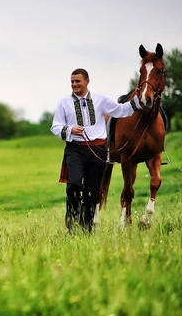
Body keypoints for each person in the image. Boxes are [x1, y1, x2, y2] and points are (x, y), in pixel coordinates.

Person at [51, 68, 141, 232]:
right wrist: (70, 130)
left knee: (92, 191)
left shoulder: (101, 100)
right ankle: (72, 221)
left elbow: (122, 110)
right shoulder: (64, 103)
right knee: (74, 184)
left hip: (97, 149)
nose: (74, 84)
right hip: (75, 149)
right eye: (72, 81)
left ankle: (87, 228)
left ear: (87, 81)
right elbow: (55, 126)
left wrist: (139, 100)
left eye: (77, 81)